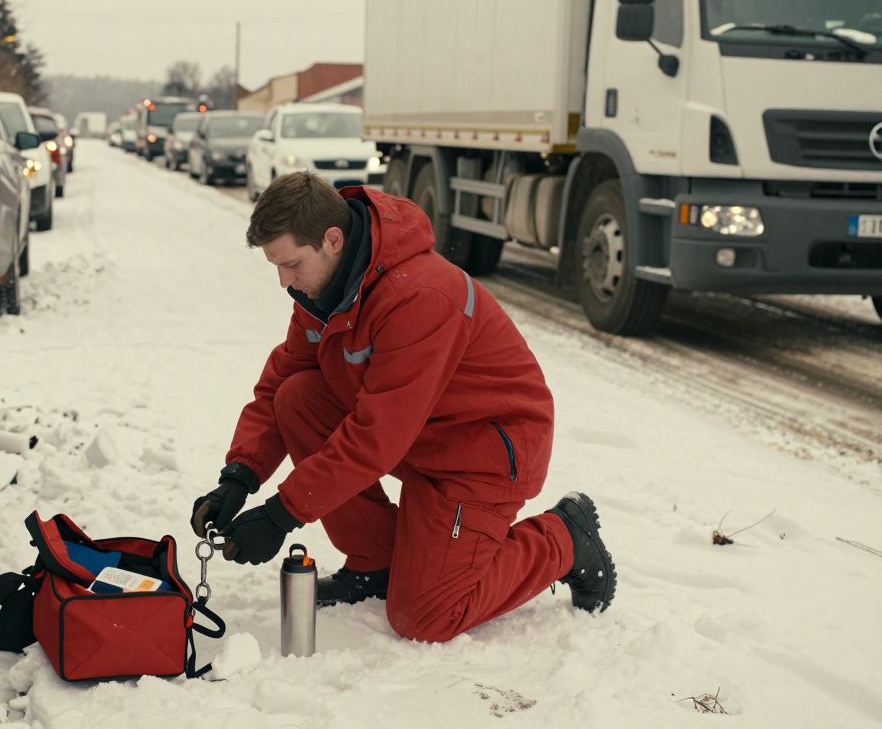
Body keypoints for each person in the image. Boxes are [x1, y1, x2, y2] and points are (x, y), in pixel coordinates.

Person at [189, 172, 616, 643]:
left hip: (482, 454)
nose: (283, 281)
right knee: (299, 397)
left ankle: (563, 538)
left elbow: (377, 436)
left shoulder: (420, 296)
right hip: (421, 438)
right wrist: (240, 476)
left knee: (427, 616)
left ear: (333, 240)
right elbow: (281, 382)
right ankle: (376, 563)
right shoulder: (320, 292)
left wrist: (281, 514)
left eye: (290, 264)